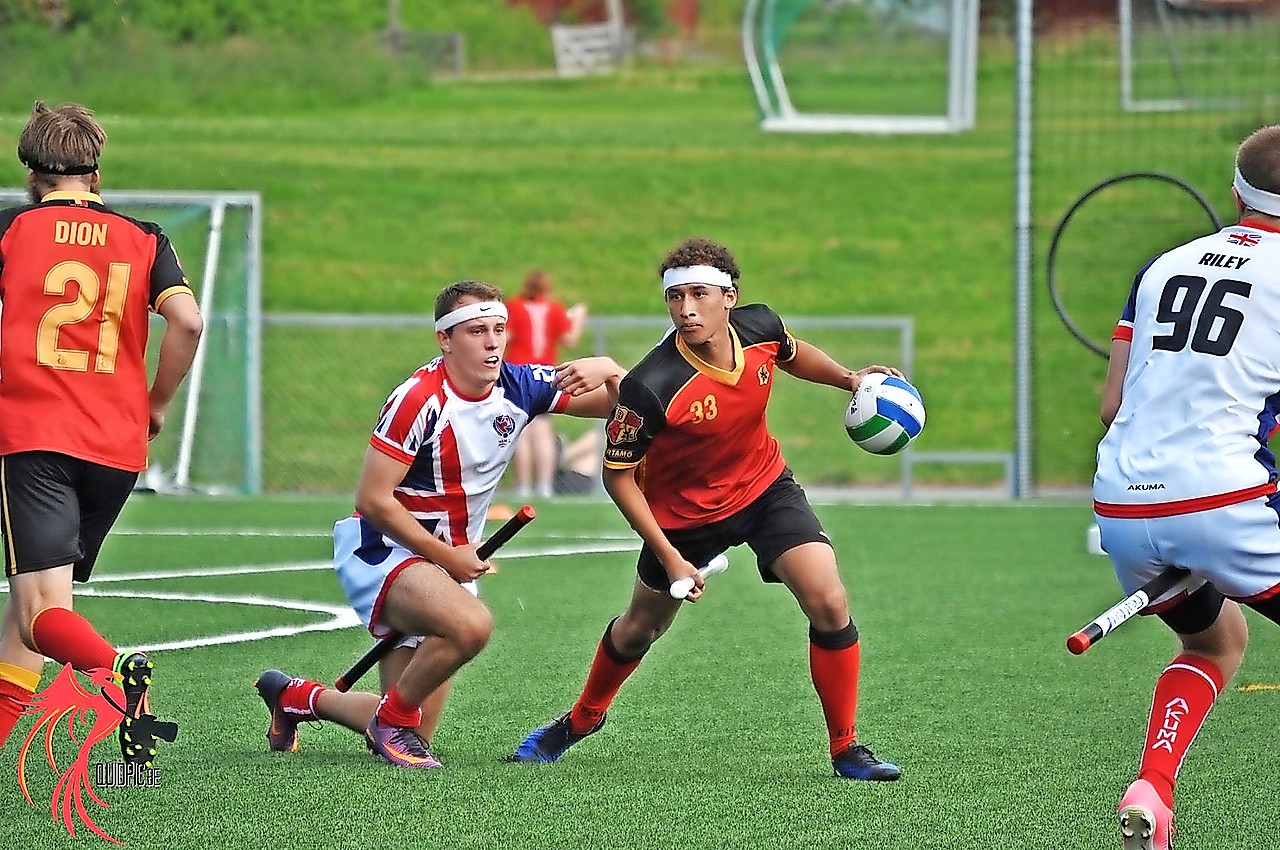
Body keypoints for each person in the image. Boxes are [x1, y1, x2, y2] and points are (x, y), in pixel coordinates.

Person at [506, 236, 904, 781]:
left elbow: (791, 352)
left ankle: (846, 746)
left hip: (764, 490)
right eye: (676, 298)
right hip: (682, 518)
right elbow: (617, 475)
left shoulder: (761, 327)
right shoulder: (653, 385)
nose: (686, 309)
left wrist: (848, 378)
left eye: (699, 295)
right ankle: (583, 717)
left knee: (829, 601)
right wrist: (670, 557)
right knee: (638, 630)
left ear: (730, 297)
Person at [255, 280, 624, 768]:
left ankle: (295, 696)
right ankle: (391, 719)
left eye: (499, 329)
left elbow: (619, 408)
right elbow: (373, 499)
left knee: (411, 726)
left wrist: (612, 371)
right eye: (476, 331)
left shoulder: (520, 385)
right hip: (386, 550)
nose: (493, 342)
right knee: (470, 626)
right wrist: (448, 556)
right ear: (445, 340)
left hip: (448, 564)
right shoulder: (417, 399)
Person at [1093, 124, 1280, 850]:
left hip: (1122, 505)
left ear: (1235, 192)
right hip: (1225, 500)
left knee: (1213, 644)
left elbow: (1112, 406)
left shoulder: (1162, 266)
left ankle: (1154, 789)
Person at [0, 102, 203, 764]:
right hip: (116, 445)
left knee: (37, 612)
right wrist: (158, 402)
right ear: (95, 168)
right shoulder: (145, 238)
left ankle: (118, 673)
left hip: (35, 437)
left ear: (30, 170)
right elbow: (189, 323)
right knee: (30, 614)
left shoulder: (11, 229)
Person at [505, 269, 587, 499]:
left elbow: (507, 336)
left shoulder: (514, 306)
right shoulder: (554, 308)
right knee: (543, 432)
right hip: (545, 374)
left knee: (520, 432)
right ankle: (544, 485)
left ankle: (523, 485)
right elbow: (569, 339)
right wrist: (578, 317)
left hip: (518, 373)